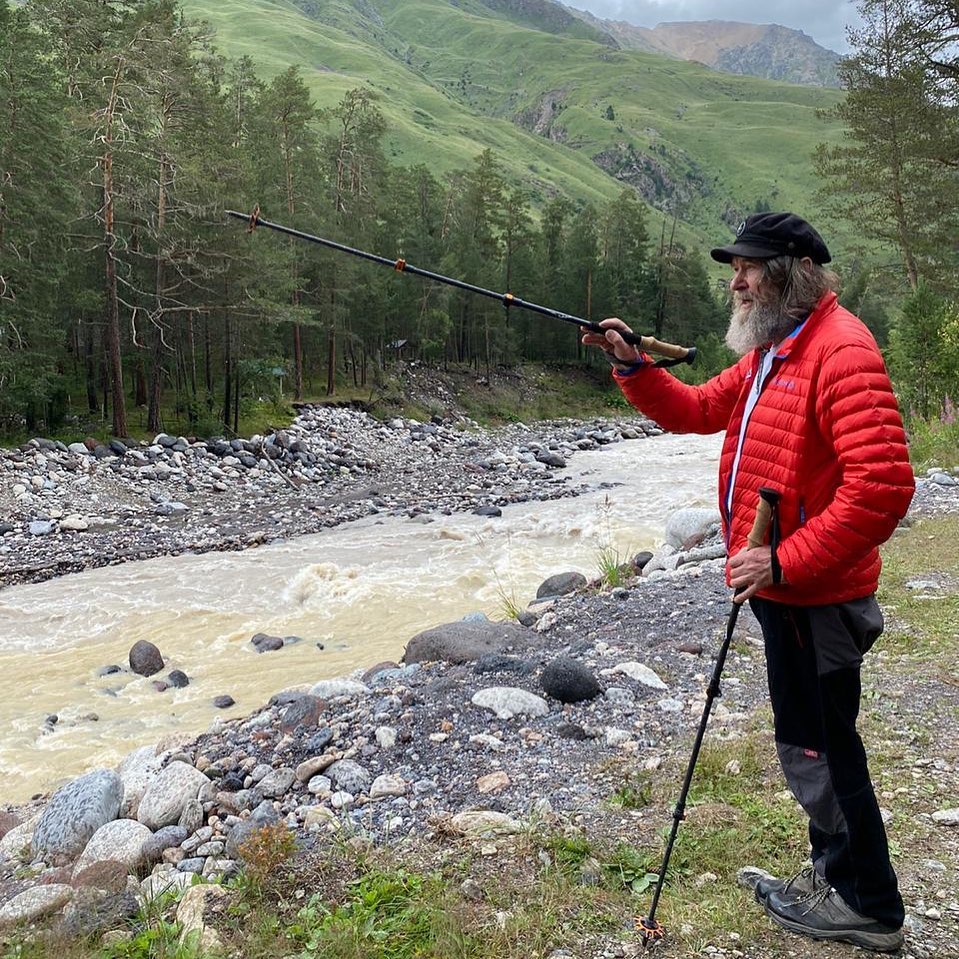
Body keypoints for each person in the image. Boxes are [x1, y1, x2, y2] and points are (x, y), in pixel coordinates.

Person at [583, 212, 914, 953]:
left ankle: (867, 903)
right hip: (785, 597)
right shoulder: (775, 350)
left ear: (792, 272)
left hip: (814, 597)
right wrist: (632, 363)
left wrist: (784, 559)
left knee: (824, 750)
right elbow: (698, 408)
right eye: (733, 267)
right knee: (809, 743)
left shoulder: (841, 351)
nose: (734, 280)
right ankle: (835, 876)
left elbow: (884, 487)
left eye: (749, 267)